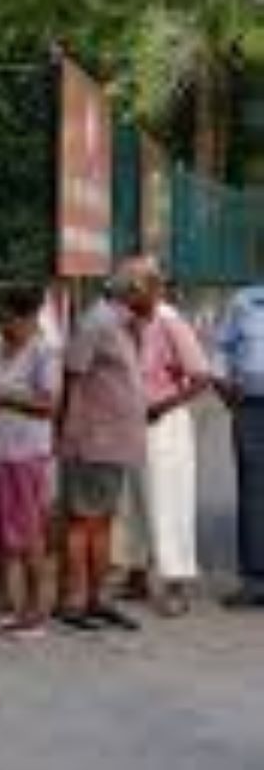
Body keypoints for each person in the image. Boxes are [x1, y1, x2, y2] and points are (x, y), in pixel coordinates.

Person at [54, 259, 154, 632]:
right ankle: (74, 602)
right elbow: (72, 376)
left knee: (103, 522)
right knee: (83, 522)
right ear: (132, 290)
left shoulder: (124, 324)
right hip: (91, 440)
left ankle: (98, 599)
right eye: (153, 287)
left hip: (113, 443)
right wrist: (67, 431)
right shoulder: (97, 321)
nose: (158, 294)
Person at [0, 285, 61, 638]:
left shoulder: (43, 352)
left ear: (27, 317)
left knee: (28, 531)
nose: (0, 326)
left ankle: (35, 605)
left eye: (5, 319)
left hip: (25, 455)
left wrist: (1, 397)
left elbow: (49, 405)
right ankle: (0, 595)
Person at [111, 265, 210, 616]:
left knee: (169, 502)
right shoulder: (127, 320)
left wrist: (160, 407)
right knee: (132, 500)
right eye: (122, 294)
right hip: (131, 422)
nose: (124, 300)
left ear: (151, 290)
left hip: (164, 424)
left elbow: (201, 377)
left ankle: (175, 584)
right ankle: (136, 576)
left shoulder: (170, 321)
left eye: (130, 293)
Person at [207, 281, 264, 608]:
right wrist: (223, 387)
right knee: (253, 492)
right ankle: (254, 580)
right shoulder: (243, 301)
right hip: (251, 406)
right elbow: (220, 348)